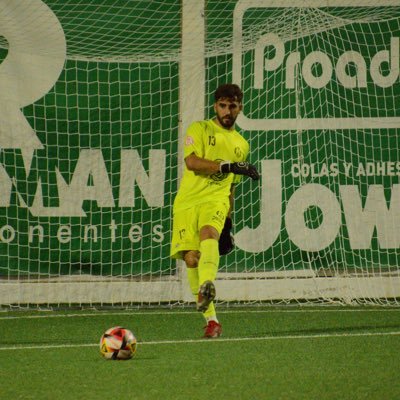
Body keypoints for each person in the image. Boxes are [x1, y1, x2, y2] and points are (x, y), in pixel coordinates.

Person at [170, 83, 260, 338]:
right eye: (222, 105)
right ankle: (212, 321)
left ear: (240, 108)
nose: (227, 111)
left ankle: (207, 284)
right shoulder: (199, 128)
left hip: (216, 201)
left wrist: (229, 221)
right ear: (215, 106)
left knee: (209, 233)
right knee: (191, 258)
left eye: (232, 106)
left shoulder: (241, 144)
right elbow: (192, 162)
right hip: (187, 201)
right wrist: (228, 166)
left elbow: (231, 188)